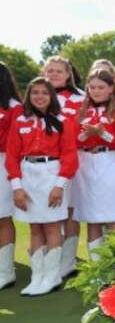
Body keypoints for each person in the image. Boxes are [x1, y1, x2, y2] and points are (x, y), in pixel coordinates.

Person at [6, 78, 78, 296]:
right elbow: (11, 156)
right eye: (35, 92)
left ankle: (52, 276)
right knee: (34, 227)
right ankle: (37, 277)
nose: (39, 97)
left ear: (51, 96)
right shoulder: (20, 121)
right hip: (28, 174)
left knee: (52, 226)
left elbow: (70, 155)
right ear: (29, 96)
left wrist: (59, 185)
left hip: (51, 174)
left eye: (44, 93)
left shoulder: (63, 120)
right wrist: (17, 187)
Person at [72, 69, 115, 258]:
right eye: (92, 87)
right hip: (86, 164)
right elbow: (73, 140)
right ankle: (96, 268)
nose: (96, 91)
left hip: (110, 163)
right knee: (92, 217)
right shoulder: (81, 111)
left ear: (111, 88)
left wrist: (102, 133)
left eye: (101, 87)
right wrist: (88, 134)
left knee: (112, 216)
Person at [42, 56, 83, 277]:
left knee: (70, 210)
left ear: (68, 74)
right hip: (45, 164)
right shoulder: (38, 97)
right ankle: (52, 261)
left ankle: (68, 261)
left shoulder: (81, 98)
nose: (54, 74)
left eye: (59, 71)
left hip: (74, 159)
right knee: (50, 209)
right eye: (50, 70)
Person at [0, 63, 21, 291]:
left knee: (3, 217)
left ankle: (6, 272)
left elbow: (13, 142)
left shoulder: (15, 107)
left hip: (4, 165)